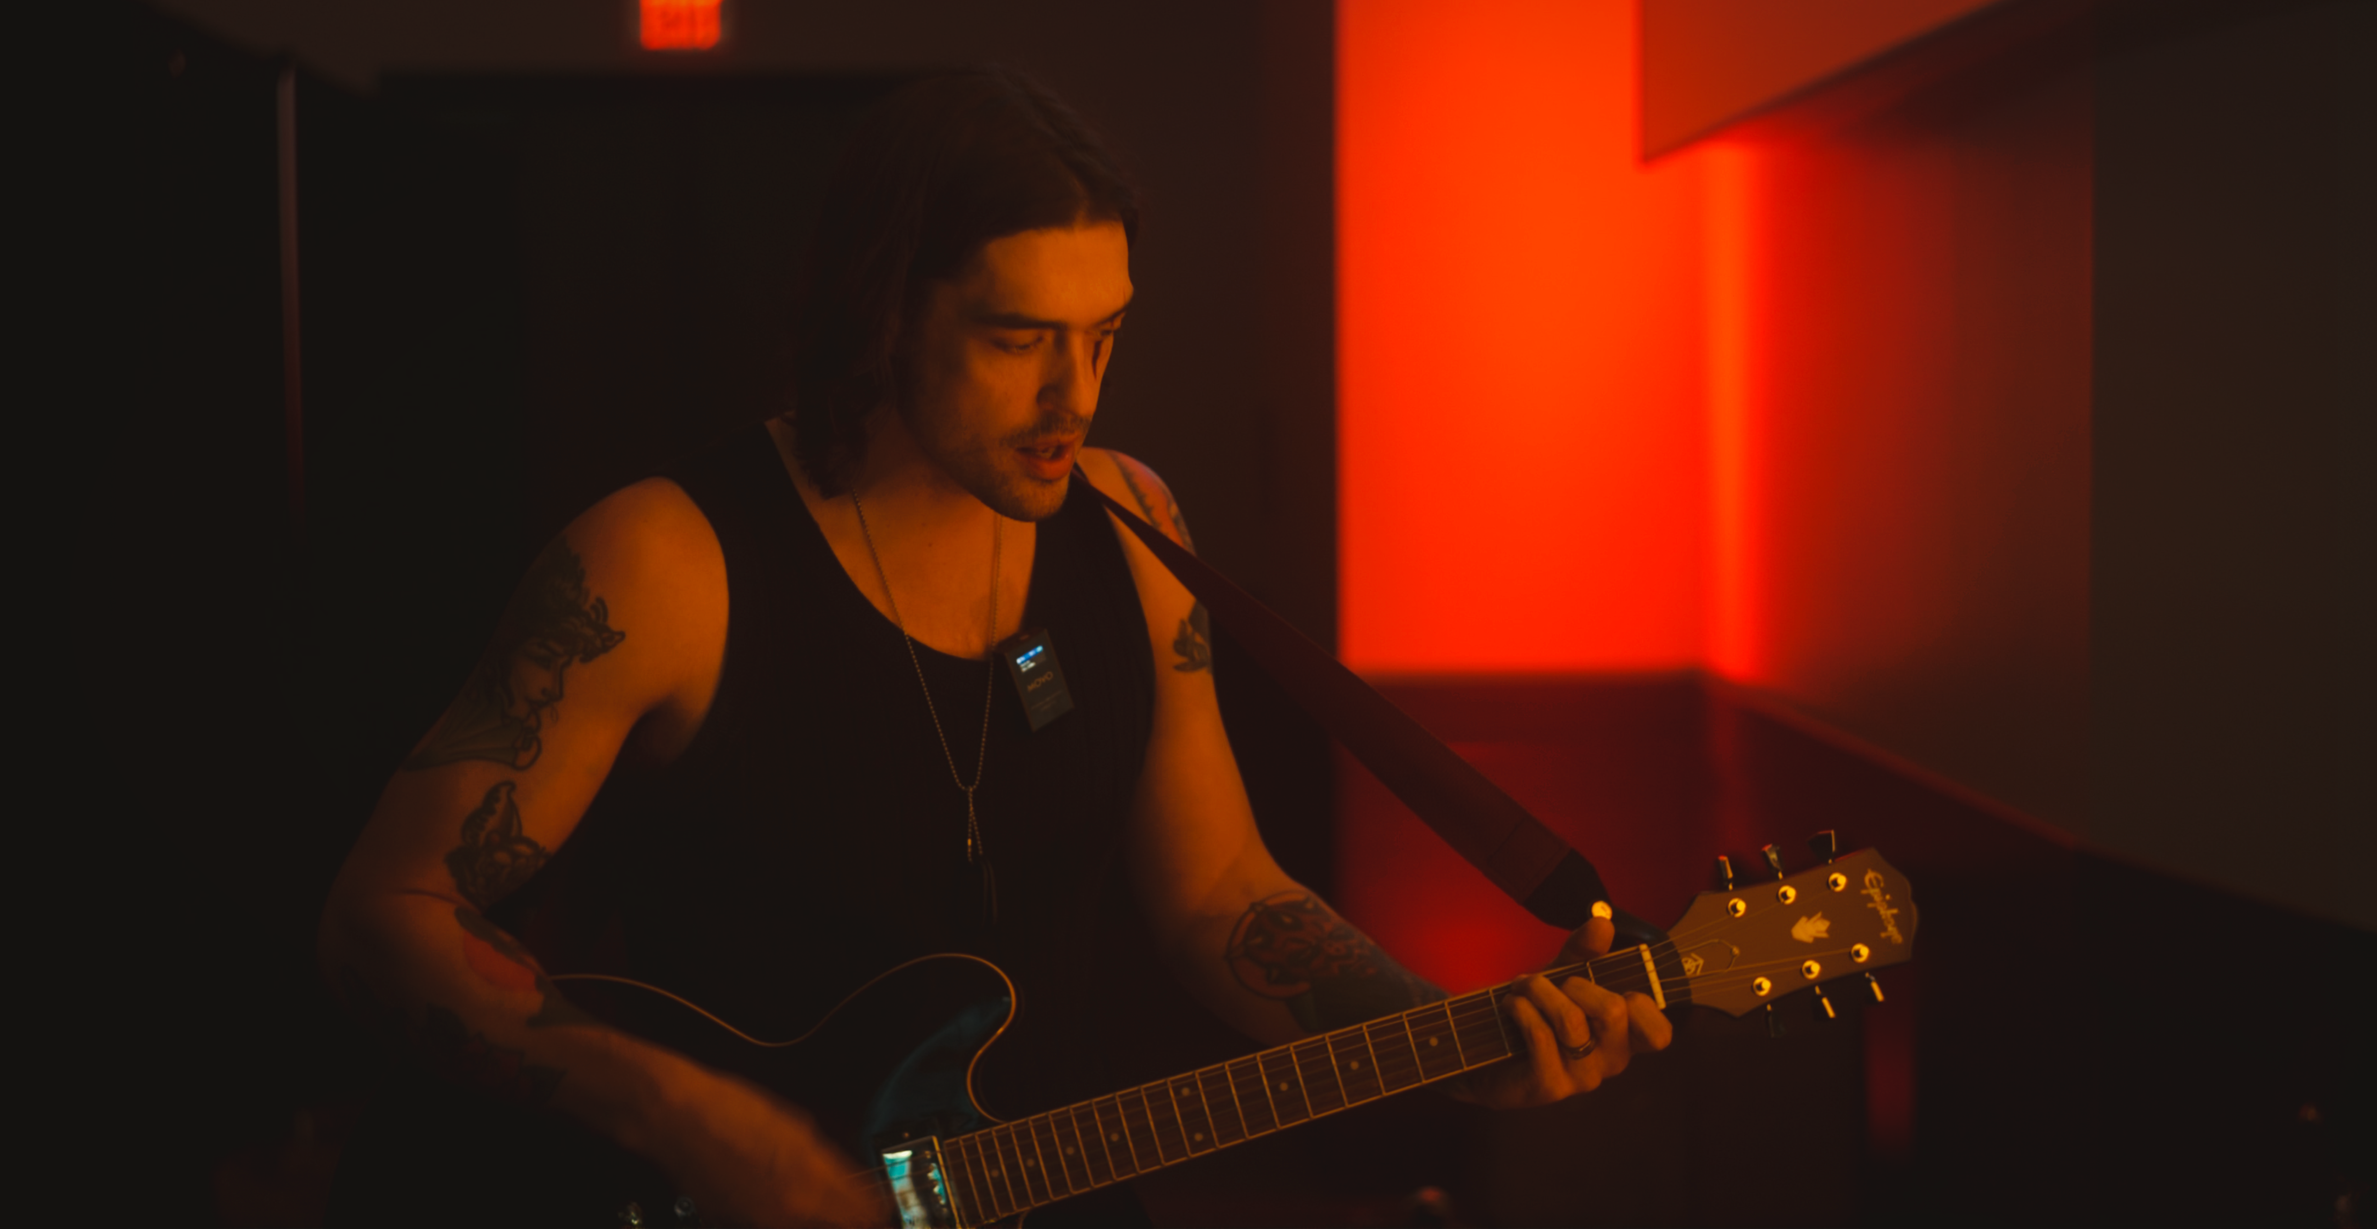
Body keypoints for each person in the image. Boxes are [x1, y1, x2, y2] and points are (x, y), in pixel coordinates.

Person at [319, 68, 1671, 1228]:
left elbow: (1219, 892)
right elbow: (389, 910)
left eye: (1105, 337)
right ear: (883, 311)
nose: (1072, 399)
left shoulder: (1134, 528)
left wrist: (1447, 1042)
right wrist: (687, 1115)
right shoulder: (666, 565)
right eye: (1019, 339)